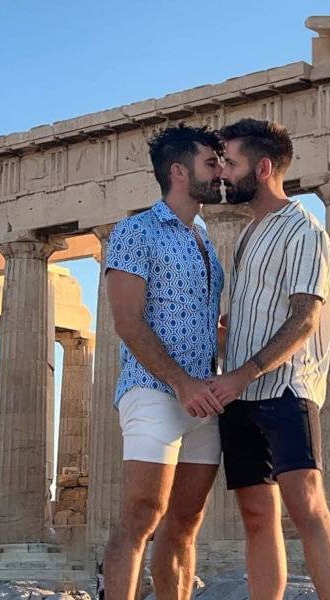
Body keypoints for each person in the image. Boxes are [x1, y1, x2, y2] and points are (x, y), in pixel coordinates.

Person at [209, 118, 330, 600]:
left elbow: (305, 316)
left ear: (263, 167)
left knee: (307, 505)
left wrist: (243, 371)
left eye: (230, 162)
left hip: (287, 386)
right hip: (241, 392)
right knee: (255, 515)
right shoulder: (248, 233)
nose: (221, 172)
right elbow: (255, 315)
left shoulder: (304, 229)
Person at [102, 124, 225, 600]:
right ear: (179, 170)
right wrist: (180, 383)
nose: (220, 173)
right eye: (210, 164)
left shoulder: (205, 238)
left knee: (186, 523)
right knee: (142, 514)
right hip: (154, 389)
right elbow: (128, 323)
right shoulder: (136, 231)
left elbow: (190, 319)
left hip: (203, 395)